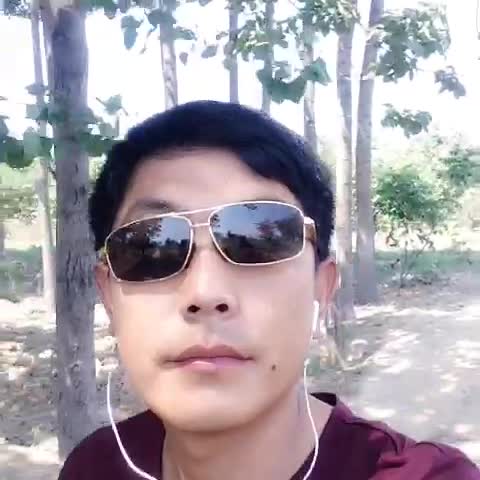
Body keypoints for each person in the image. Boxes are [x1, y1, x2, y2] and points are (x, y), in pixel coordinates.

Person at [58, 100, 479, 480]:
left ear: (322, 288)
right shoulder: (94, 468)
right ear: (108, 297)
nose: (205, 293)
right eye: (152, 247)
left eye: (258, 241)